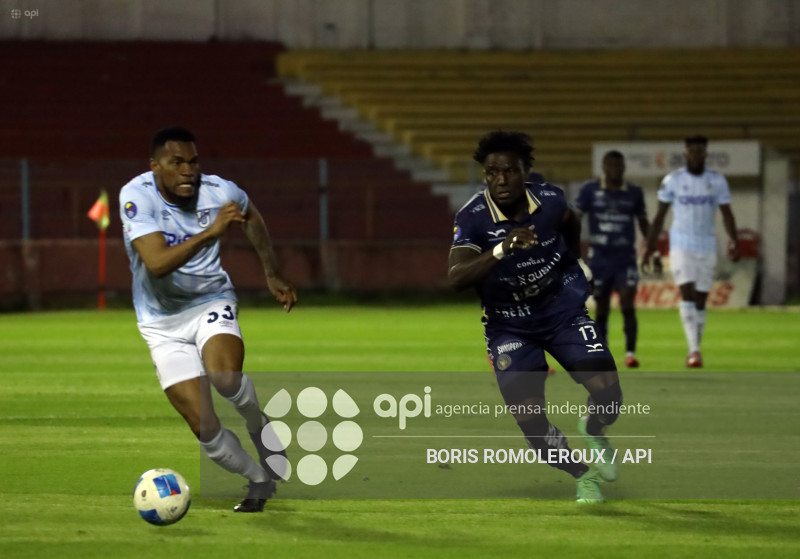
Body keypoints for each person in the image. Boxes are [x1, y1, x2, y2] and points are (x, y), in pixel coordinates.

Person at [119, 126, 298, 513]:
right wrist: (211, 231)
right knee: (203, 425)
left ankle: (258, 423)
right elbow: (157, 264)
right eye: (177, 162)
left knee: (225, 378)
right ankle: (258, 479)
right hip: (160, 324)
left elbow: (251, 217)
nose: (189, 171)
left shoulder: (220, 191)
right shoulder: (136, 196)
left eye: (194, 161)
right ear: (155, 167)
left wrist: (271, 271)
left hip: (209, 302)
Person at [448, 131, 623, 503]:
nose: (500, 179)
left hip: (560, 311)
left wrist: (574, 262)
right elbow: (456, 277)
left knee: (609, 392)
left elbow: (569, 220)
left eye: (509, 171)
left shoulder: (550, 199)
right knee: (529, 420)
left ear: (526, 171)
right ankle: (582, 473)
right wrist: (500, 249)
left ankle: (593, 428)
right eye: (492, 172)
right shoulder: (473, 217)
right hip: (509, 324)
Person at [642, 135, 740, 368]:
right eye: (692, 151)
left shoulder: (717, 181)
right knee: (686, 292)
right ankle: (694, 351)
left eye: (700, 151)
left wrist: (734, 240)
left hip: (707, 245)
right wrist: (650, 246)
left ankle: (695, 346)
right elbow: (659, 216)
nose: (696, 155)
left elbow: (727, 214)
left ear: (705, 154)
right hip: (681, 245)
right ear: (686, 153)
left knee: (701, 299)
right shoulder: (672, 180)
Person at [574, 151, 651, 368]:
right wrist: (573, 245)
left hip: (625, 257)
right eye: (611, 165)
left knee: (627, 303)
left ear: (624, 167)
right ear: (604, 168)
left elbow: (644, 222)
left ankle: (630, 353)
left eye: (619, 165)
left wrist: (652, 248)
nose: (615, 169)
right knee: (602, 307)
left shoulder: (634, 192)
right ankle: (602, 351)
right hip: (600, 257)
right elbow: (575, 218)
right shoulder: (591, 190)